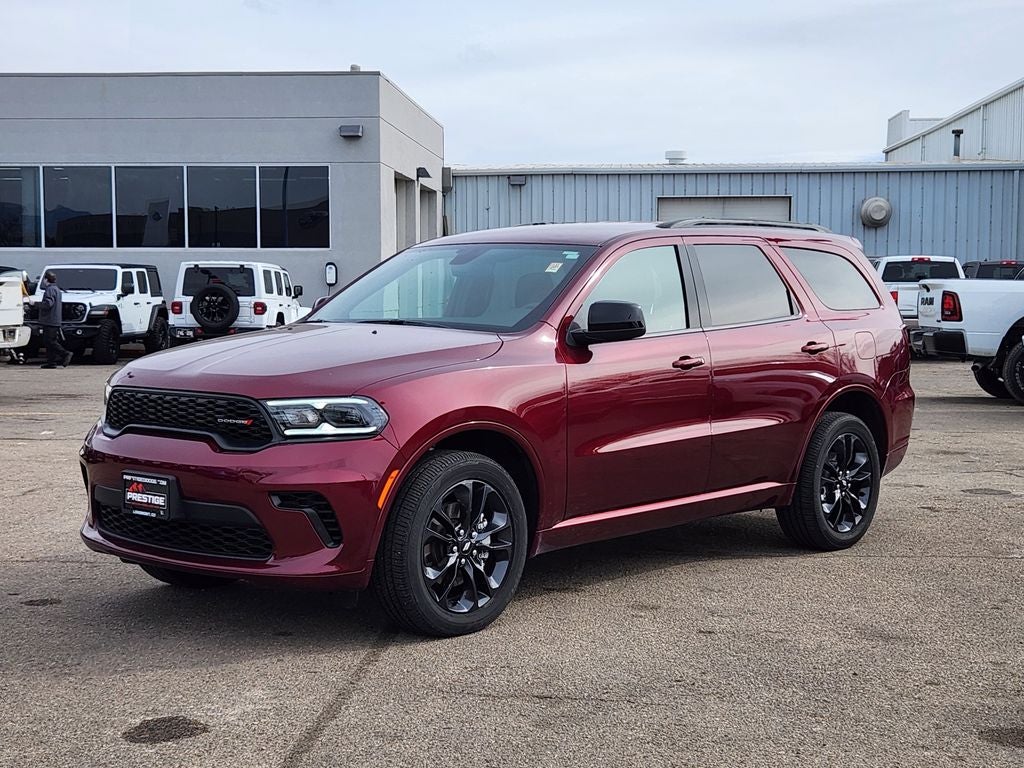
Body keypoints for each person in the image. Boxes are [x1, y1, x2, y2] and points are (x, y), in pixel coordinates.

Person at [38, 270, 72, 369]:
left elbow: (48, 304)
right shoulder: (57, 289)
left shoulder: (49, 290)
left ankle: (65, 354)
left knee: (49, 341)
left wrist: (35, 304)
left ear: (45, 279)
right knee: (50, 341)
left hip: (49, 320)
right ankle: (51, 362)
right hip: (56, 319)